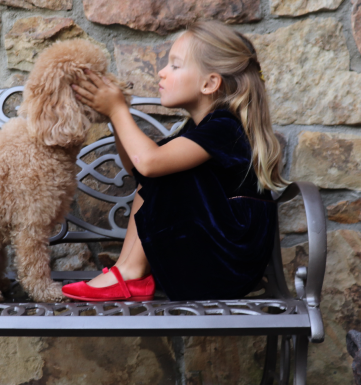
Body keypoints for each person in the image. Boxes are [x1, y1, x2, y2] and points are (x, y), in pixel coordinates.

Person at [61, 20, 289, 302]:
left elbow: (148, 163)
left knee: (159, 167)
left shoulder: (225, 127)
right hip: (214, 256)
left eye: (175, 66)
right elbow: (139, 168)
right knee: (157, 168)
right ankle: (128, 271)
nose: (161, 72)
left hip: (228, 264)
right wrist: (114, 117)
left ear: (209, 83)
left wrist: (118, 109)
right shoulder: (198, 130)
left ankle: (130, 272)